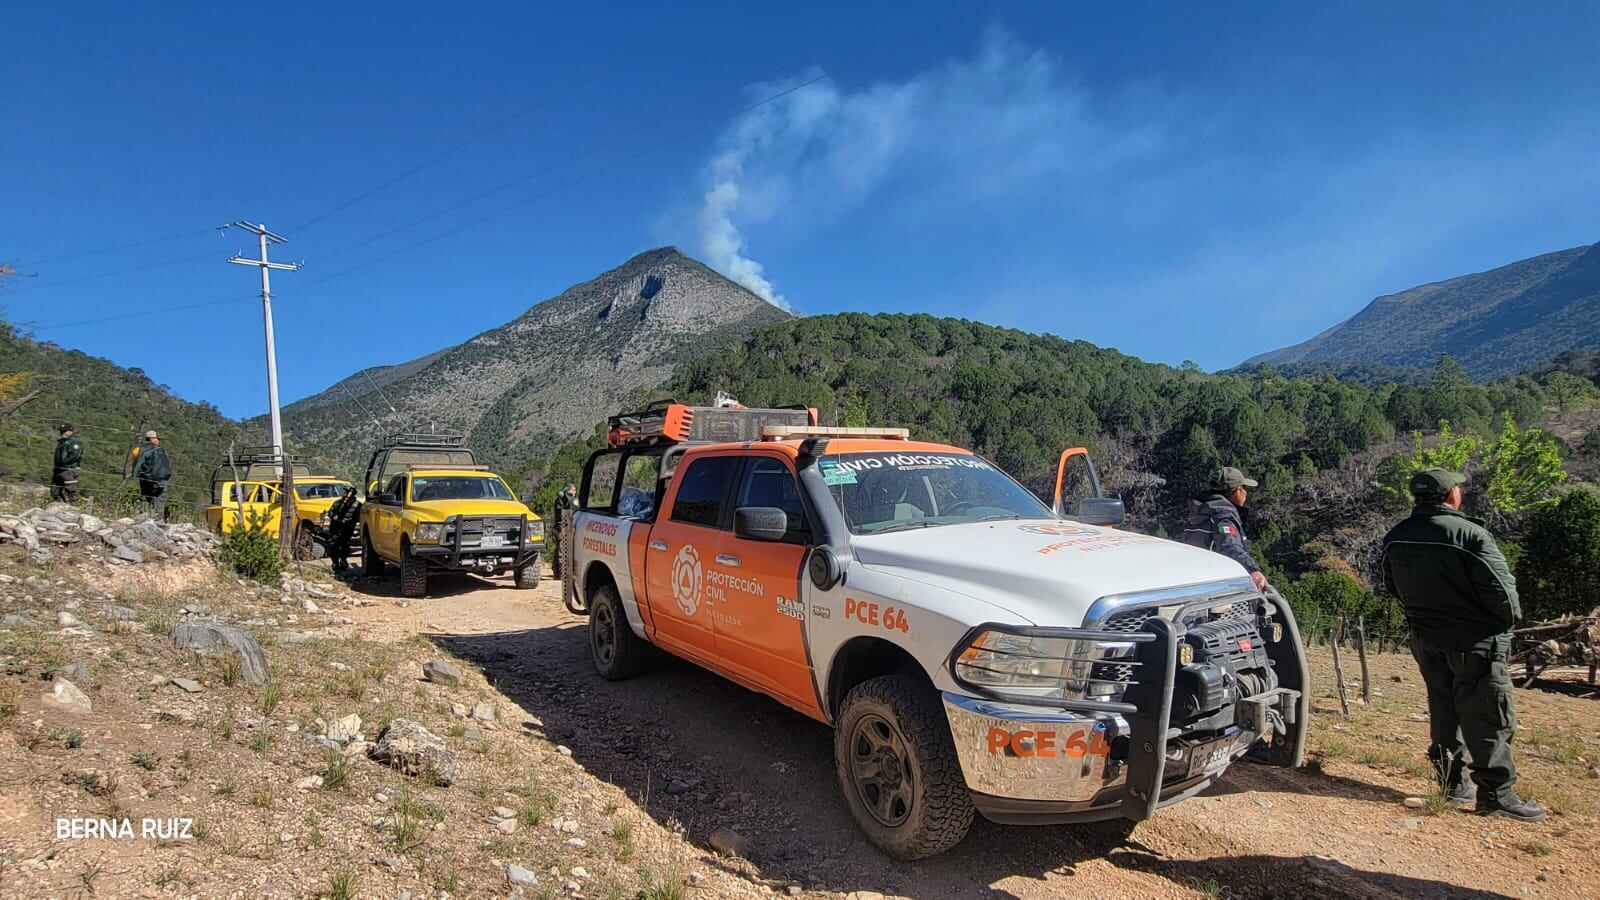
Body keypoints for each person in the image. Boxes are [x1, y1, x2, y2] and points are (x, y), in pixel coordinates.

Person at [1382, 468, 1544, 822]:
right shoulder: (1471, 535)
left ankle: (1451, 785)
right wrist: (1499, 625)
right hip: (1474, 641)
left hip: (1426, 638)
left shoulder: (1397, 536)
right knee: (1489, 714)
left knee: (1443, 708)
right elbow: (1504, 597)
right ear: (1451, 495)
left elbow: (1391, 585)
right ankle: (1496, 794)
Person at [1181, 466, 1270, 592]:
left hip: (1194, 581)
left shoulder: (1201, 510)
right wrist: (1253, 570)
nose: (1245, 493)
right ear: (1237, 491)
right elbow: (1229, 546)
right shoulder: (1223, 515)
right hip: (1215, 585)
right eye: (1244, 488)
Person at [132, 430, 172, 519]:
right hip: (160, 480)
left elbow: (135, 463)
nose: (159, 441)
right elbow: (165, 467)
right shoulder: (160, 451)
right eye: (157, 439)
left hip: (144, 478)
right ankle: (158, 520)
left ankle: (143, 518)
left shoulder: (138, 450)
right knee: (160, 498)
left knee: (145, 497)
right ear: (152, 439)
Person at [325, 485, 363, 574]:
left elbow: (360, 517)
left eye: (348, 494)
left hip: (348, 528)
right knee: (334, 544)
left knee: (345, 544)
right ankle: (335, 562)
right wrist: (337, 518)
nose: (346, 495)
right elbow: (331, 513)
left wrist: (350, 521)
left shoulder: (357, 505)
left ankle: (343, 560)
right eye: (345, 493)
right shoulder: (337, 503)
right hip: (335, 527)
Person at [50, 422, 83, 503]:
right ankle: (59, 504)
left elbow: (75, 455)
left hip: (68, 468)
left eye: (64, 431)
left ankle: (71, 504)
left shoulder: (74, 442)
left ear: (71, 432)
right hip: (59, 469)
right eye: (62, 432)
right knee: (54, 489)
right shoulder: (62, 443)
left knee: (70, 484)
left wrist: (65, 464)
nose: (62, 433)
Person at [551, 482, 577, 579]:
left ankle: (557, 572)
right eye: (574, 490)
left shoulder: (563, 499)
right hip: (561, 528)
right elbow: (563, 513)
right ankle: (562, 573)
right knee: (562, 550)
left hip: (561, 527)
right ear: (569, 490)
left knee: (559, 549)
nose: (575, 493)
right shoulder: (562, 499)